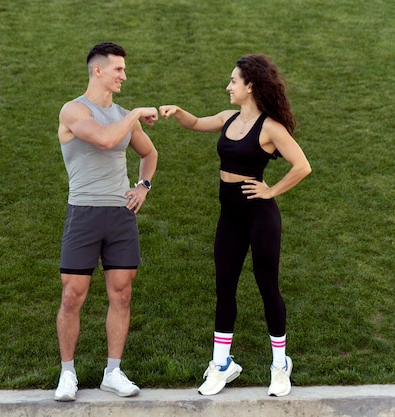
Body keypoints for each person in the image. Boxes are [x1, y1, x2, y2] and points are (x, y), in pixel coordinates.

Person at [159, 54, 311, 397]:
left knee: (266, 286)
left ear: (250, 86)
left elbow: (302, 166)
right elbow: (197, 123)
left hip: (260, 217)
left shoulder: (270, 127)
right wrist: (177, 111)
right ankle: (223, 365)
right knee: (224, 287)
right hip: (229, 217)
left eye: (233, 81)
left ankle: (280, 365)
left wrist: (271, 189)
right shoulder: (229, 119)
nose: (228, 86)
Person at [54, 42, 158, 402]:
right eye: (119, 70)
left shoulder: (124, 114)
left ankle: (112, 371)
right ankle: (67, 374)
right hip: (83, 213)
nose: (124, 76)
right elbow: (104, 139)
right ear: (97, 70)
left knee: (123, 294)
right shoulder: (73, 110)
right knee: (72, 295)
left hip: (120, 215)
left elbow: (149, 152)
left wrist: (143, 186)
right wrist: (133, 115)